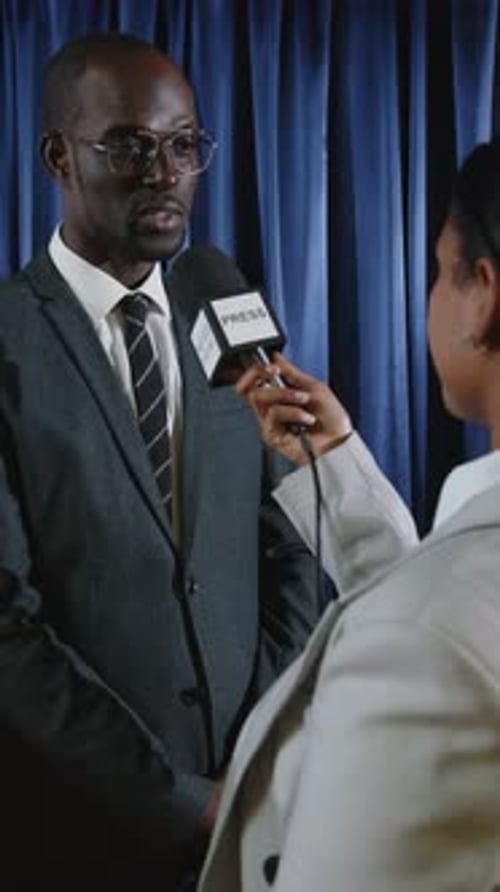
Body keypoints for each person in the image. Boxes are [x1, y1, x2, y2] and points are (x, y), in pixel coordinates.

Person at [0, 32, 318, 892]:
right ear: (58, 156)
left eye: (184, 146)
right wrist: (172, 799)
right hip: (71, 840)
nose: (164, 172)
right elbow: (5, 627)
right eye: (131, 145)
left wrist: (257, 746)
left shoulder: (226, 310)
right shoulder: (8, 343)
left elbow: (293, 545)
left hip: (252, 827)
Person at [198, 137, 500, 892]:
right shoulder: (467, 536)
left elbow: (438, 636)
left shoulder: (428, 634)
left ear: (484, 292)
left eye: (439, 269)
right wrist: (335, 463)